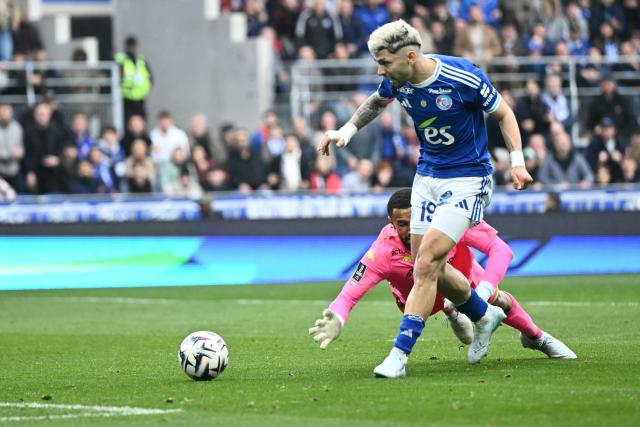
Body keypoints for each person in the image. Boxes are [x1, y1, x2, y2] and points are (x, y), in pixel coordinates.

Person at [318, 20, 532, 378]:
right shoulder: (398, 80)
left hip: (468, 178)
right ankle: (484, 313)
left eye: (384, 62)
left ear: (411, 56)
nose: (379, 70)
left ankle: (399, 356)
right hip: (428, 176)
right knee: (424, 262)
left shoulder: (462, 76)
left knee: (427, 261)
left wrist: (518, 162)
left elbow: (504, 114)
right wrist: (347, 130)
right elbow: (376, 101)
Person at [309, 189, 576, 360]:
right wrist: (339, 317)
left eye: (415, 220)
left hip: (462, 275)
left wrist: (482, 294)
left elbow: (502, 251)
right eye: (402, 224)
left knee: (499, 300)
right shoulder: (383, 251)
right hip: (417, 298)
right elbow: (349, 293)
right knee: (442, 296)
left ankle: (537, 338)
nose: (410, 229)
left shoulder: (448, 221)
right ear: (391, 223)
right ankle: (451, 310)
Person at [114, 36, 153, 125]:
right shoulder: (121, 59)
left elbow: (150, 78)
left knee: (141, 122)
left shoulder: (141, 60)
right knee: (127, 122)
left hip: (140, 97)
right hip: (126, 97)